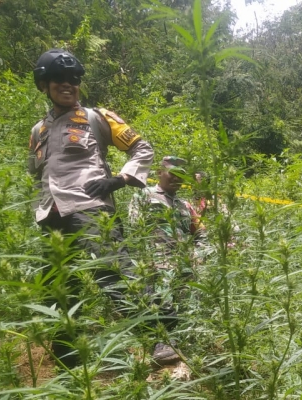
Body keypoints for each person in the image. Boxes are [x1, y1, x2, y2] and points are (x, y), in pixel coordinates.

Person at [27, 48, 176, 367]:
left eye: (73, 79)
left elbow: (142, 149)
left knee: (115, 273)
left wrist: (120, 179)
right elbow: (37, 171)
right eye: (59, 79)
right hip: (51, 214)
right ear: (44, 84)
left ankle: (158, 337)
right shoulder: (37, 131)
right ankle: (68, 356)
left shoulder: (97, 117)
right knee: (59, 284)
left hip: (90, 207)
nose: (67, 85)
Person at [129, 156, 205, 274]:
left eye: (181, 175)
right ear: (159, 172)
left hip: (185, 267)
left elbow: (202, 232)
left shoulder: (185, 205)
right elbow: (135, 228)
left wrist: (198, 254)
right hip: (156, 266)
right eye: (172, 173)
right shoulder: (145, 195)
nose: (176, 178)